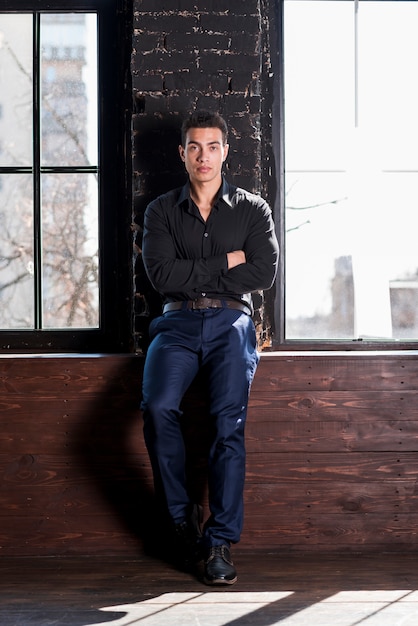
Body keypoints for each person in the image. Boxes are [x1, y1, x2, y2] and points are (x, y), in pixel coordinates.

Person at [140, 110, 279, 585]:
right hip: (175, 324)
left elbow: (262, 273)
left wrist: (196, 268)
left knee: (227, 424)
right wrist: (226, 259)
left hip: (231, 322)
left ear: (225, 151)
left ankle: (219, 541)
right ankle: (182, 520)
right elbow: (162, 277)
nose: (203, 156)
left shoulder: (252, 209)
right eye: (194, 147)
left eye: (212, 146)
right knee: (158, 408)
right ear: (183, 153)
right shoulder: (160, 211)